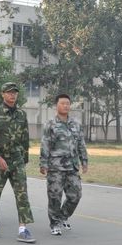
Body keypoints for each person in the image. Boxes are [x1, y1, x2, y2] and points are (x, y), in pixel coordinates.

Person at [0, 82, 35, 243]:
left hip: (17, 160)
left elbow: (25, 138)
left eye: (15, 92)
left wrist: (24, 158)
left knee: (22, 194)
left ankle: (23, 228)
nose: (13, 95)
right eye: (9, 92)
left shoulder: (21, 114)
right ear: (2, 94)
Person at [40, 93, 88, 236]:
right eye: (62, 103)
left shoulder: (76, 124)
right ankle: (54, 223)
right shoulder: (50, 124)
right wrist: (43, 163)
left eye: (67, 103)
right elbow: (45, 145)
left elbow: (81, 144)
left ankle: (62, 217)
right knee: (55, 196)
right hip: (55, 167)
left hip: (72, 167)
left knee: (76, 195)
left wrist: (84, 161)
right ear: (57, 105)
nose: (65, 106)